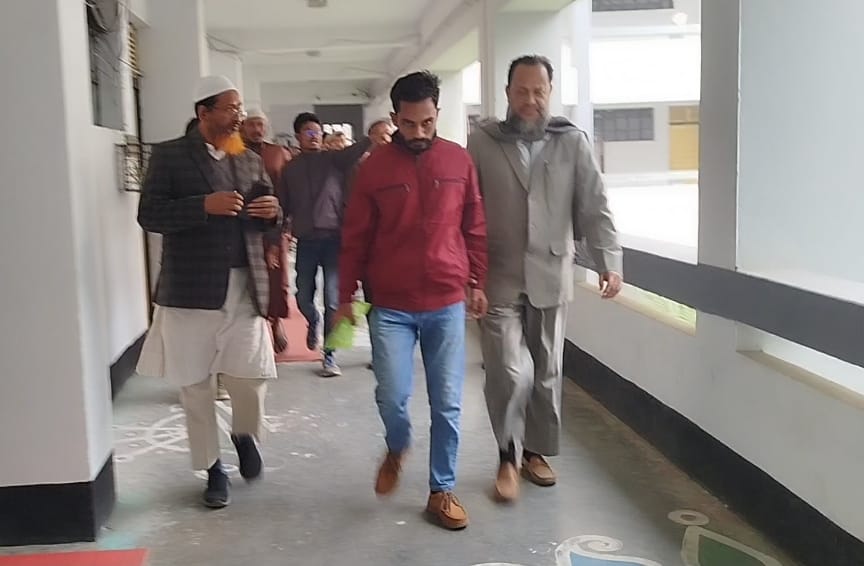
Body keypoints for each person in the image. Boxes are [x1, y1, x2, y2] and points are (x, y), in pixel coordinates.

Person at [467, 55, 623, 503]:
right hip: (498, 274)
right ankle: (506, 453)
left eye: (539, 91)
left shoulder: (571, 141)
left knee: (547, 370)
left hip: (552, 271)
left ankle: (535, 452)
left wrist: (608, 260)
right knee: (506, 369)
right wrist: (467, 275)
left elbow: (594, 205)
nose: (530, 100)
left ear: (550, 92)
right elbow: (466, 209)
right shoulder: (482, 142)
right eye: (522, 91)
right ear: (507, 93)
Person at [337, 71, 488, 530]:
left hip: (446, 301)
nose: (418, 132)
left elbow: (474, 225)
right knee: (392, 395)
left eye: (427, 122)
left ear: (438, 113)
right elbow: (356, 236)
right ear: (394, 117)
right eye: (408, 123)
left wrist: (477, 280)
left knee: (448, 402)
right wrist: (344, 297)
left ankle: (442, 489)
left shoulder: (458, 160)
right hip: (391, 305)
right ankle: (397, 445)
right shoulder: (374, 168)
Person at [136, 75, 282, 509]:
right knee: (195, 385)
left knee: (250, 374)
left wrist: (273, 212)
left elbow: (267, 211)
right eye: (231, 108)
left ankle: (243, 433)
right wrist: (202, 205)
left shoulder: (249, 159)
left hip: (244, 285)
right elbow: (149, 214)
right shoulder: (169, 156)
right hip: (189, 290)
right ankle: (213, 468)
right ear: (204, 112)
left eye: (240, 108)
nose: (239, 116)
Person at [279, 112, 371, 377]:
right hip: (306, 241)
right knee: (303, 297)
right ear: (298, 136)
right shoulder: (290, 170)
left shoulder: (334, 160)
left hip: (334, 240)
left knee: (333, 299)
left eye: (317, 132)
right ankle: (313, 320)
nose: (314, 136)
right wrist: (278, 237)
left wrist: (370, 138)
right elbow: (283, 206)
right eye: (308, 132)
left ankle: (329, 355)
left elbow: (354, 152)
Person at [241, 108, 294, 354]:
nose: (257, 129)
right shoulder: (233, 153)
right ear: (243, 126)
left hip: (275, 223)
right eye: (252, 124)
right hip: (243, 225)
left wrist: (279, 234)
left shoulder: (278, 153)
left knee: (277, 277)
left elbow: (287, 193)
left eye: (260, 124)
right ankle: (253, 327)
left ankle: (276, 322)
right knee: (246, 277)